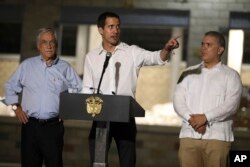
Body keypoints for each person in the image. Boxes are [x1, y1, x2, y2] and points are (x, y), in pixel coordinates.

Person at [82, 12, 179, 167]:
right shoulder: (91, 57)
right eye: (111, 27)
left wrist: (166, 49)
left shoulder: (132, 52)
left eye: (118, 27)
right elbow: (87, 89)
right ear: (100, 30)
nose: (115, 30)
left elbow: (156, 58)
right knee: (97, 162)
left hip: (125, 116)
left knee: (127, 163)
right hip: (100, 117)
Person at [4, 28, 82, 167]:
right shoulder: (27, 66)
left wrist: (67, 110)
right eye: (45, 42)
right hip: (30, 126)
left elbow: (80, 90)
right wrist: (16, 108)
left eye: (52, 42)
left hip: (53, 128)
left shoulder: (65, 68)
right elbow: (10, 86)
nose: (49, 45)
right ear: (39, 46)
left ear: (56, 45)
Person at [173, 31, 242, 167]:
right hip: (189, 136)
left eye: (209, 45)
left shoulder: (231, 76)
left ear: (220, 50)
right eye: (202, 44)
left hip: (217, 138)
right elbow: (178, 100)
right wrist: (192, 119)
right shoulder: (187, 73)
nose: (203, 47)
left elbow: (231, 105)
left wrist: (205, 118)